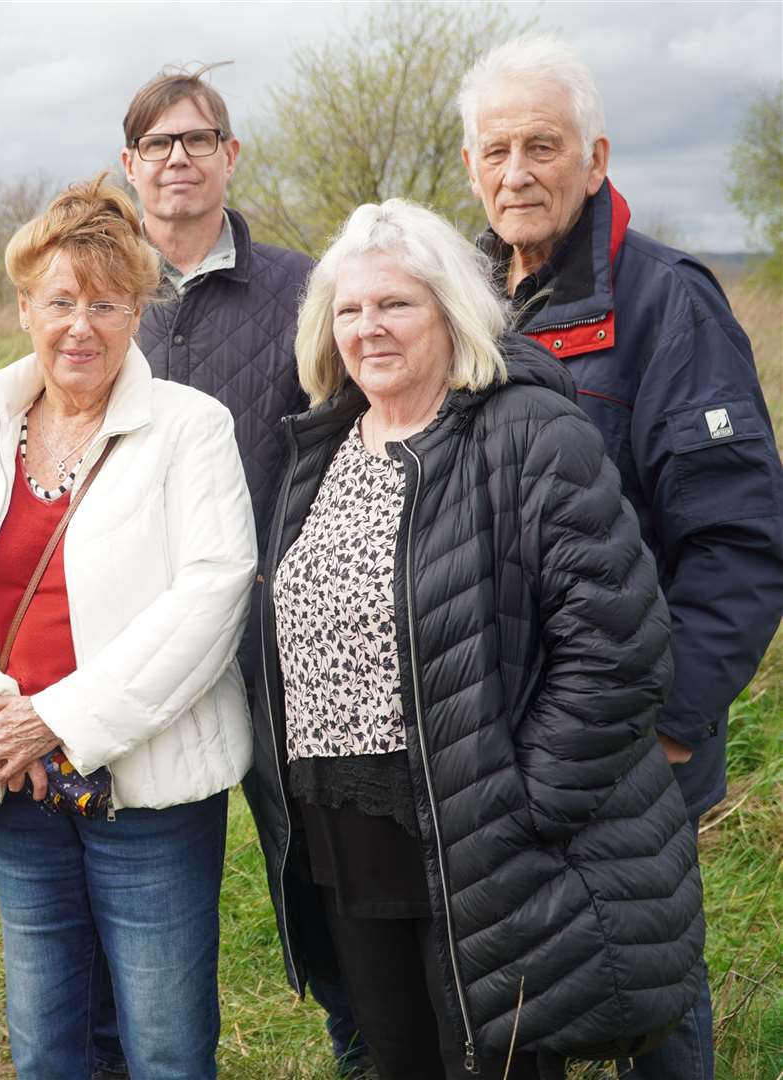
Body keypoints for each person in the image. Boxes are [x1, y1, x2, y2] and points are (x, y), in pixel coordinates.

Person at [243, 198, 705, 1080]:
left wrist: (526, 805)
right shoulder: (325, 442)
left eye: (395, 305)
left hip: (478, 842)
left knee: (491, 1066)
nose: (367, 327)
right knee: (399, 1058)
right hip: (344, 832)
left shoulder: (526, 431)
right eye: (348, 309)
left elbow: (616, 646)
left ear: (450, 310)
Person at [457, 36, 783, 1080]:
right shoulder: (453, 299)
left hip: (632, 731)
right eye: (495, 149)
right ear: (468, 166)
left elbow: (735, 542)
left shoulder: (663, 303)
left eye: (541, 146)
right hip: (494, 728)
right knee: (513, 980)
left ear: (593, 158)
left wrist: (676, 727)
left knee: (649, 987)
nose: (515, 172)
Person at [0, 176, 257, 1079]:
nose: (80, 326)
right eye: (60, 300)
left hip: (149, 791)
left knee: (166, 1049)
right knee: (46, 1041)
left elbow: (214, 592)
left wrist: (57, 719)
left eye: (105, 303)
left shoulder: (190, 428)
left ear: (137, 311)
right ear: (24, 307)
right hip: (14, 783)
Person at [118, 64, 364, 1078]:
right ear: (127, 165)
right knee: (130, 888)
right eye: (156, 143)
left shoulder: (305, 289)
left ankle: (366, 1044)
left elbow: (353, 450)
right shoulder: (99, 291)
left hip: (278, 647)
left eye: (196, 139)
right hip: (131, 643)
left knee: (325, 876)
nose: (177, 158)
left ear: (228, 157)